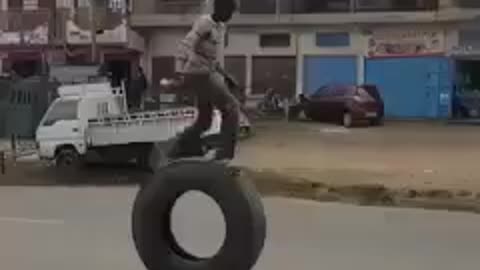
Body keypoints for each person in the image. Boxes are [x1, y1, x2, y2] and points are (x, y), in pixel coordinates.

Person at [169, 0, 240, 162]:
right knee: (231, 108)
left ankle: (181, 147)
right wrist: (179, 71)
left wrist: (226, 75)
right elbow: (185, 45)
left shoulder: (220, 27)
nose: (230, 16)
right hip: (198, 73)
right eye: (229, 12)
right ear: (220, 8)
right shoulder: (204, 23)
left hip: (207, 71)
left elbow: (212, 59)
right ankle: (224, 153)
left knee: (205, 120)